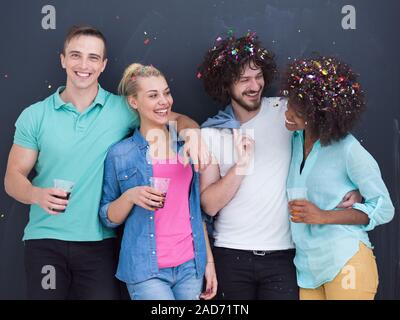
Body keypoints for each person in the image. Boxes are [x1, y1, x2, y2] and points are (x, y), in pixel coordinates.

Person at [4, 25, 210, 300]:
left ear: (103, 65)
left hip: (99, 244)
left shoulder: (122, 109)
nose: (83, 65)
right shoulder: (35, 115)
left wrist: (192, 134)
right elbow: (13, 177)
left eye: (93, 58)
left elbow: (171, 116)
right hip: (46, 240)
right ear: (63, 59)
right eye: (76, 55)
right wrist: (35, 194)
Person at [99, 63, 217, 300]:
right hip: (145, 269)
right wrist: (130, 196)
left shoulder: (186, 145)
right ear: (134, 102)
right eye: (153, 95)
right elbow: (107, 217)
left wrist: (208, 261)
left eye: (166, 92)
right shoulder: (121, 154)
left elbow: (194, 210)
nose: (164, 101)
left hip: (189, 266)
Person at [283, 56, 395, 300]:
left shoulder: (347, 149)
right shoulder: (295, 139)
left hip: (344, 260)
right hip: (308, 269)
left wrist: (323, 216)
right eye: (290, 103)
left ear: (319, 114)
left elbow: (384, 208)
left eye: (297, 110)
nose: (288, 111)